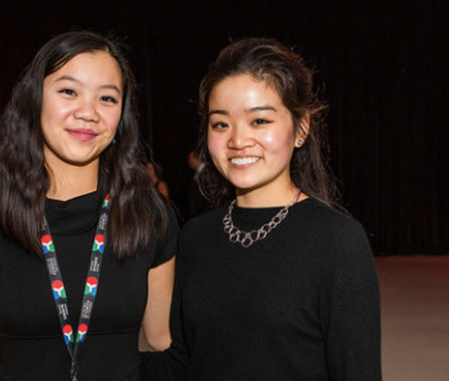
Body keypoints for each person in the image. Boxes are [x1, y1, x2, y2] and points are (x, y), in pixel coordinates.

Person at [0, 30, 178, 381]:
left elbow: (165, 344)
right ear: (35, 100)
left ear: (121, 118)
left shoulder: (150, 217)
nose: (88, 113)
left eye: (108, 98)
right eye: (69, 91)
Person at [142, 38, 381, 380]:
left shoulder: (337, 241)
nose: (238, 140)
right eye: (221, 124)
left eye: (259, 121)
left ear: (301, 128)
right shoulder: (197, 235)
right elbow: (182, 363)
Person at [185, 150, 209, 219]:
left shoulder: (207, 172)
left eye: (190, 158)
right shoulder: (197, 173)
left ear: (197, 158)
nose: (189, 161)